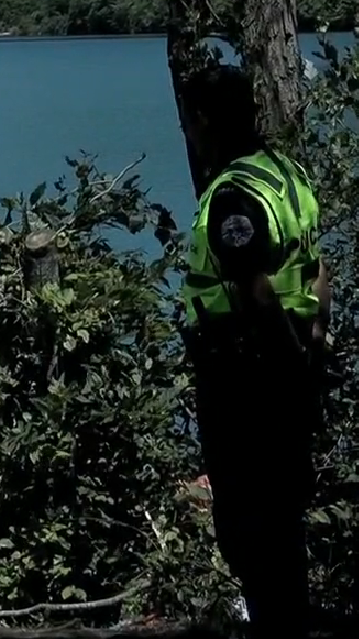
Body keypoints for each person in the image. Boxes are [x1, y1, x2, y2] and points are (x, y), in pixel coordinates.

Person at [179, 64, 331, 639]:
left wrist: (289, 367)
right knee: (283, 516)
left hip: (246, 377)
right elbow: (316, 268)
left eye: (190, 122)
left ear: (204, 120)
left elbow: (256, 292)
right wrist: (313, 345)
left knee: (249, 523)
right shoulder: (286, 174)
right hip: (286, 364)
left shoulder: (233, 196)